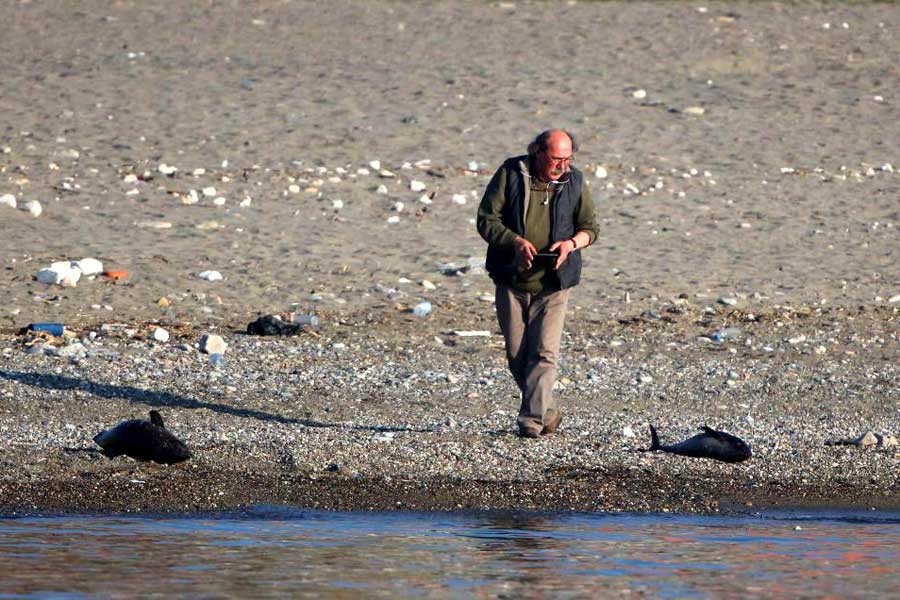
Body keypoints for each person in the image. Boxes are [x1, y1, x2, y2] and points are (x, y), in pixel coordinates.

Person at [476, 129, 598, 438]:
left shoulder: (576, 181)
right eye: (557, 158)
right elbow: (486, 220)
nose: (563, 165)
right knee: (518, 355)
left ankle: (530, 422)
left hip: (555, 283)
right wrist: (514, 242)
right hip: (511, 278)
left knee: (545, 353)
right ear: (538, 152)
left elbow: (590, 228)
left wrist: (571, 244)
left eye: (568, 158)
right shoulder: (511, 172)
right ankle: (549, 410)